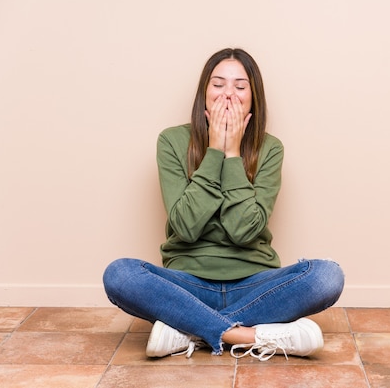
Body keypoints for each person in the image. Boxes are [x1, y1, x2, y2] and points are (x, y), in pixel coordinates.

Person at [102, 48, 345, 361]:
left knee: (327, 276)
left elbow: (243, 231)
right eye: (218, 84)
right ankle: (249, 335)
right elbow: (186, 229)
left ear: (253, 97)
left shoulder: (269, 149)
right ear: (203, 94)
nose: (228, 94)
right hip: (187, 284)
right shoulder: (172, 141)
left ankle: (189, 328)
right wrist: (215, 150)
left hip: (257, 285)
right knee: (120, 275)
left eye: (240, 86)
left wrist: (233, 155)